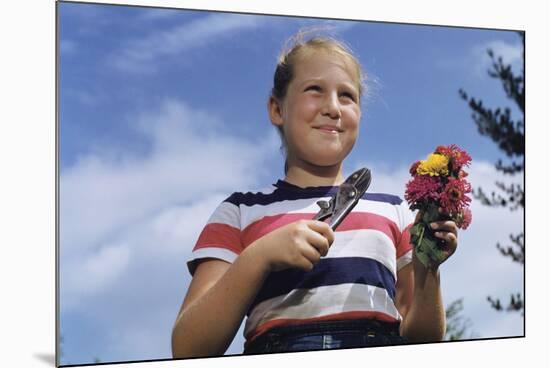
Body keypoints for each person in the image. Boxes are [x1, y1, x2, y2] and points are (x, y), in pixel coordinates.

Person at [171, 32, 459, 358]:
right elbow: (187, 348)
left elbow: (423, 339)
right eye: (314, 90)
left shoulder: (394, 211)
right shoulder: (239, 211)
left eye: (347, 96)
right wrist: (259, 257)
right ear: (277, 108)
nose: (333, 108)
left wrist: (428, 271)